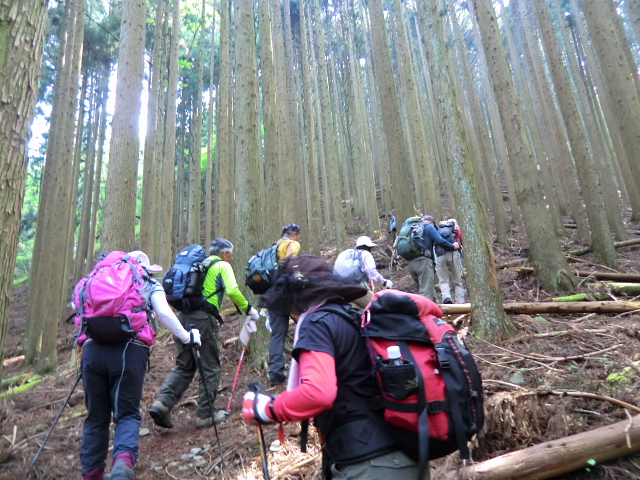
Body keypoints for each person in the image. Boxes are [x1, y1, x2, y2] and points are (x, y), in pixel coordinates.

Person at [243, 255, 429, 479]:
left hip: (370, 463)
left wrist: (267, 408)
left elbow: (318, 393)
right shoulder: (351, 316)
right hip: (406, 453)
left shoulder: (316, 323)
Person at [79, 251, 201, 480]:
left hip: (92, 350)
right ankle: (122, 469)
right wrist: (187, 337)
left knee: (96, 415)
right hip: (130, 350)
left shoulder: (95, 279)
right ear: (144, 267)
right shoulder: (146, 281)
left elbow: (78, 308)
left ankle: (92, 473)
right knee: (126, 413)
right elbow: (164, 313)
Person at [150, 239, 259, 430]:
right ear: (225, 253)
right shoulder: (221, 265)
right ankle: (205, 414)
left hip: (181, 318)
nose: (231, 259)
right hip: (203, 319)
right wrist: (249, 309)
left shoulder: (198, 267)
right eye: (231, 255)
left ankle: (162, 403)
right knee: (210, 366)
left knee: (184, 366)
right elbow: (233, 290)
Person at [267, 223, 302, 386]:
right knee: (305, 326)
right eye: (299, 235)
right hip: (287, 293)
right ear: (294, 234)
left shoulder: (275, 246)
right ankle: (305, 368)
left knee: (277, 334)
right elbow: (291, 265)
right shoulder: (292, 244)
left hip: (272, 295)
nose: (299, 238)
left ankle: (275, 373)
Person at [407, 215, 459, 302]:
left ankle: (434, 310)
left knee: (426, 288)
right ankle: (426, 314)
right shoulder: (428, 227)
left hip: (410, 262)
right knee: (426, 292)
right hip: (423, 261)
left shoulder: (412, 229)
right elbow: (439, 240)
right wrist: (452, 246)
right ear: (431, 222)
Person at [333, 235, 393, 309]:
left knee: (359, 310)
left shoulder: (346, 253)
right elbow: (371, 271)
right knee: (378, 308)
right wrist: (384, 282)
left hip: (340, 288)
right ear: (368, 246)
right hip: (356, 287)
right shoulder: (365, 254)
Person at [435, 218, 466, 304]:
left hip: (440, 255)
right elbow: (461, 242)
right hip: (453, 254)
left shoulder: (439, 231)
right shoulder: (456, 230)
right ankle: (460, 301)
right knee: (458, 280)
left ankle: (446, 298)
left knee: (443, 280)